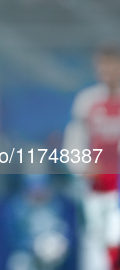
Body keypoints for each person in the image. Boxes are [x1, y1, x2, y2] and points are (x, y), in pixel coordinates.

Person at [64, 44, 120, 270]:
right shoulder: (87, 101)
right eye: (101, 66)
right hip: (97, 186)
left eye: (111, 65)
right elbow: (74, 140)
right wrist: (81, 166)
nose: (105, 71)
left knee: (115, 239)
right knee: (96, 246)